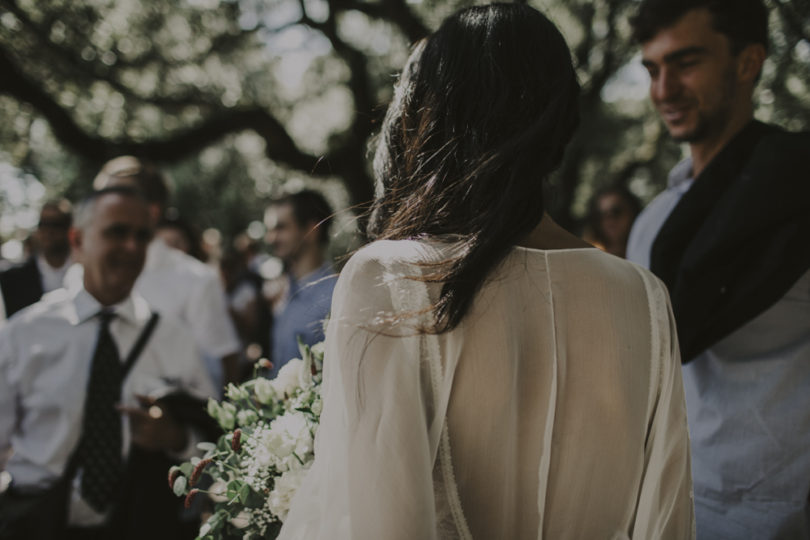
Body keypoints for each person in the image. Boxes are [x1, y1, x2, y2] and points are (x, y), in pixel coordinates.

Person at [278, 5, 694, 539]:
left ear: (431, 112)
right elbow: (667, 521)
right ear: (562, 121)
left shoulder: (389, 277)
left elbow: (377, 527)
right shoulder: (644, 297)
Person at [626, 0, 810, 537]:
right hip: (674, 509)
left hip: (783, 514)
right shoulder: (653, 223)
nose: (664, 90)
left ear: (748, 62)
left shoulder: (799, 194)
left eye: (686, 63)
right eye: (653, 70)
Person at [0, 187, 216, 539]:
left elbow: (210, 442)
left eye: (142, 236)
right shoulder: (23, 335)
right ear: (78, 239)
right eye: (117, 232)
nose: (132, 247)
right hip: (38, 524)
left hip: (138, 525)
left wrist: (174, 438)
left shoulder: (175, 339)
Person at [92, 156, 242, 390]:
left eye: (114, 198)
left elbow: (220, 369)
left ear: (151, 212)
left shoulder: (196, 280)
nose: (99, 208)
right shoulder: (78, 275)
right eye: (97, 199)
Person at [264, 190, 336, 377]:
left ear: (312, 230)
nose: (270, 238)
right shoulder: (283, 290)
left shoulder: (335, 296)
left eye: (281, 228)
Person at [0, 199, 73, 321]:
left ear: (70, 230)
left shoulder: (86, 273)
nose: (48, 231)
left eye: (56, 224)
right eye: (43, 224)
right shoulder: (12, 279)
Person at [584, 185, 642, 258]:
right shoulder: (591, 258)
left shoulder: (650, 254)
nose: (609, 221)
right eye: (600, 215)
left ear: (632, 212)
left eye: (616, 212)